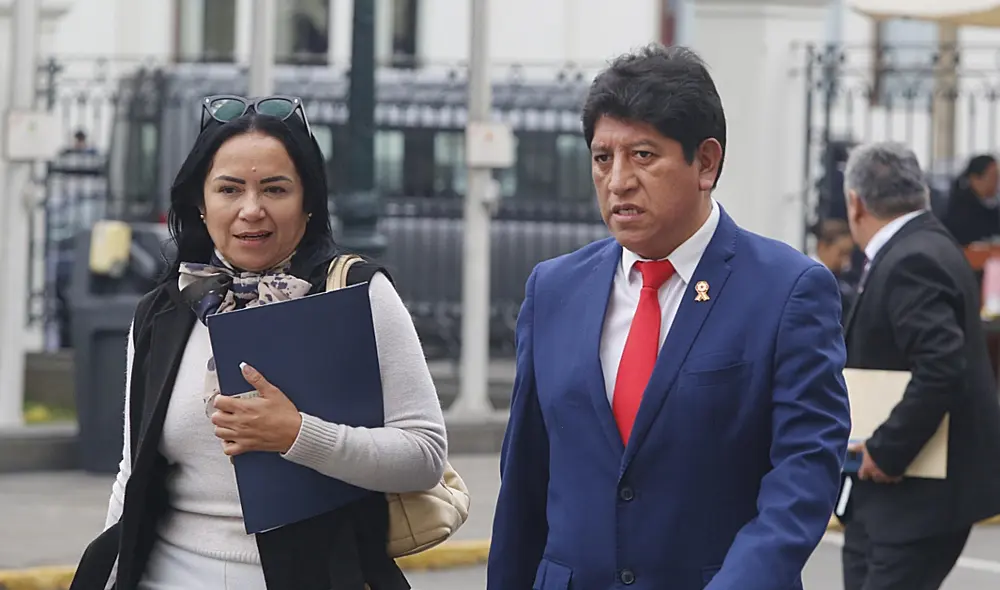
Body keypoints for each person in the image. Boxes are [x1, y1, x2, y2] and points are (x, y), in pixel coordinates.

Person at [487, 44, 851, 590]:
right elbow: (524, 484)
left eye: (643, 156)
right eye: (602, 157)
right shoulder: (554, 289)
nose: (618, 182)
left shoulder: (786, 291)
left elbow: (804, 475)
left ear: (705, 162)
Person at [70, 96, 447, 590]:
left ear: (308, 202)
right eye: (229, 189)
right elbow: (131, 474)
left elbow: (423, 455)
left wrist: (297, 434)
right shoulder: (163, 310)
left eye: (275, 189)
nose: (252, 209)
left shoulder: (357, 292)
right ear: (200, 206)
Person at [839, 142, 1000, 590]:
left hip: (914, 492)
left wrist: (887, 449)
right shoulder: (924, 243)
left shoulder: (913, 258)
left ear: (855, 202)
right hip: (900, 494)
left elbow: (941, 366)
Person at [942, 154, 1000, 246]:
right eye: (993, 177)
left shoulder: (992, 206)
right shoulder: (960, 209)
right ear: (975, 179)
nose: (996, 182)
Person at [811, 218, 860, 322]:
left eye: (849, 254)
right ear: (822, 247)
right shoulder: (807, 280)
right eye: (842, 253)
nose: (847, 262)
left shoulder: (845, 280)